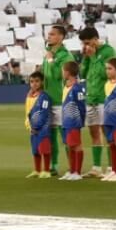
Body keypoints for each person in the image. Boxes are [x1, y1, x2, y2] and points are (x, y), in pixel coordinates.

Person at [78, 26, 116, 179]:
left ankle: (112, 166)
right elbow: (83, 73)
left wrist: (93, 57)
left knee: (107, 132)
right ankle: (96, 167)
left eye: (88, 42)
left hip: (104, 97)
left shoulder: (108, 51)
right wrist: (86, 58)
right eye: (84, 43)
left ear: (96, 39)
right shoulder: (89, 54)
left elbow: (105, 74)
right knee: (93, 132)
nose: (86, 46)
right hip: (91, 96)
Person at [39, 24, 73, 176]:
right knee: (50, 135)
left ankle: (73, 166)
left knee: (65, 136)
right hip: (48, 100)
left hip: (61, 100)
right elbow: (46, 76)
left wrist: (51, 61)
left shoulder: (66, 56)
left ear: (61, 37)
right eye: (49, 34)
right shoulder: (48, 54)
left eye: (52, 34)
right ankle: (53, 165)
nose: (49, 36)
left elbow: (59, 76)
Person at [58, 61, 86, 181]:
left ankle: (77, 172)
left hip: (74, 120)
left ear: (68, 72)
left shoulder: (77, 88)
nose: (62, 73)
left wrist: (81, 120)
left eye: (63, 71)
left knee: (76, 145)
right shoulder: (66, 86)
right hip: (66, 120)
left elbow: (81, 106)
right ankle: (72, 170)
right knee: (70, 145)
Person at [25, 70, 53, 178]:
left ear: (42, 82)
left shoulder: (44, 97)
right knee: (35, 150)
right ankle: (37, 170)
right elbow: (27, 113)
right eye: (31, 81)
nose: (34, 84)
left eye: (37, 81)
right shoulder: (29, 97)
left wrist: (37, 126)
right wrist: (29, 126)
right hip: (33, 129)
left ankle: (46, 170)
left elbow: (44, 113)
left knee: (44, 149)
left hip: (43, 128)